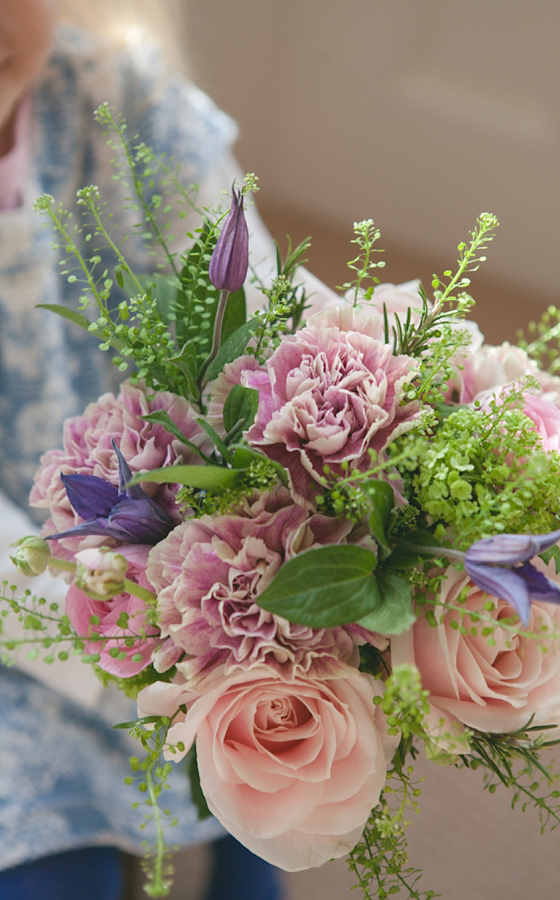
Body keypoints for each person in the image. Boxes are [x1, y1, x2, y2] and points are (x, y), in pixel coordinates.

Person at [0, 2, 281, 898]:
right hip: (26, 614)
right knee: (48, 868)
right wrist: (110, 657)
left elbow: (257, 314)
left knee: (280, 791)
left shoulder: (121, 95)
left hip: (172, 561)